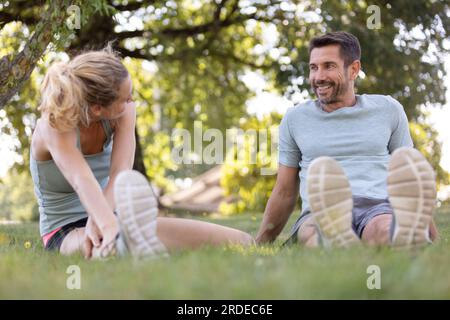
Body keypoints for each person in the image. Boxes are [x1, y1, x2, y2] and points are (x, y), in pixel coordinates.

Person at [30, 46, 254, 259]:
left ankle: (125, 241)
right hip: (65, 228)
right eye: (125, 98)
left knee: (241, 241)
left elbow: (120, 172)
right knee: (105, 246)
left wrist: (103, 220)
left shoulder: (123, 111)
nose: (131, 102)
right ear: (98, 108)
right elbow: (81, 179)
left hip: (112, 213)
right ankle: (118, 245)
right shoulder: (54, 124)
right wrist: (106, 226)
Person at [255, 31, 439, 249]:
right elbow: (285, 190)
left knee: (382, 229)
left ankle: (402, 236)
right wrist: (259, 244)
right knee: (312, 233)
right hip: (320, 210)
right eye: (313, 68)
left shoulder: (388, 109)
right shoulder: (295, 119)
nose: (318, 77)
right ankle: (335, 240)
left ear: (354, 69)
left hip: (377, 206)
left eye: (328, 66)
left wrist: (434, 238)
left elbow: (409, 178)